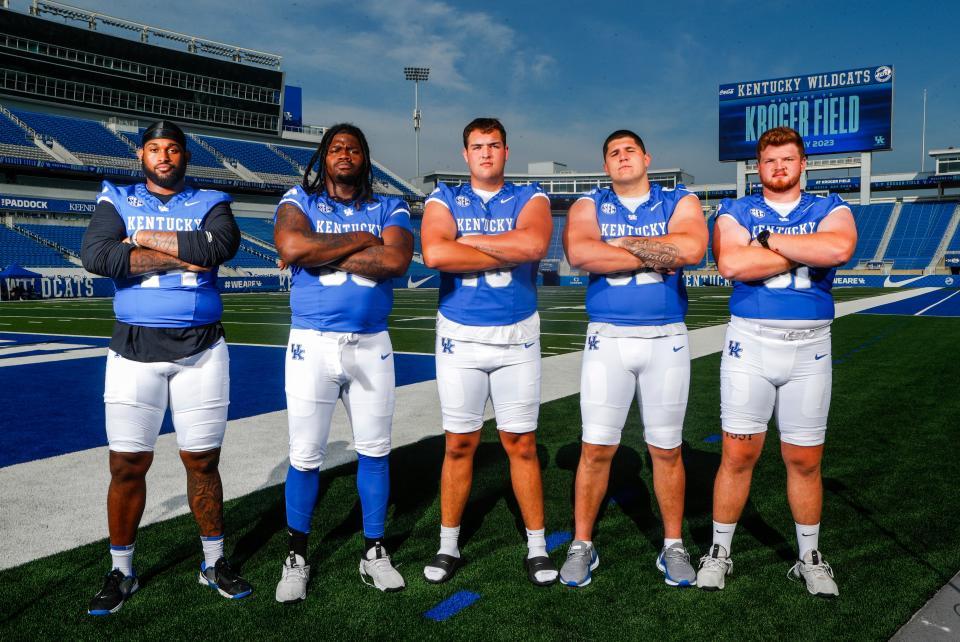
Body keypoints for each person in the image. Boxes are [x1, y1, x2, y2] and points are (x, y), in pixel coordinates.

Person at [80, 120, 247, 615]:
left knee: (202, 461)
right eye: (155, 148)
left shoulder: (211, 200)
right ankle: (122, 569)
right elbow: (98, 256)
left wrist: (141, 244)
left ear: (185, 156)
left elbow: (219, 248)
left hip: (202, 350)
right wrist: (182, 253)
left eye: (172, 149)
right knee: (127, 463)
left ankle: (213, 561)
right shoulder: (116, 197)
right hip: (134, 351)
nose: (164, 156)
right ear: (141, 155)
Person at [696, 126, 856, 597]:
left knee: (804, 459)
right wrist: (803, 247)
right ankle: (719, 551)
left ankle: (810, 556)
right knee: (738, 453)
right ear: (758, 167)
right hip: (752, 342)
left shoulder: (830, 206)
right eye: (770, 161)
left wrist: (765, 242)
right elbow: (732, 265)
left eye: (788, 159)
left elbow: (839, 249)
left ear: (803, 163)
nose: (779, 167)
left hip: (811, 346)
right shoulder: (736, 209)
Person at [272, 123, 414, 601]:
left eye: (353, 147)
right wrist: (360, 239)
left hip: (371, 345)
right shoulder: (300, 199)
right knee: (305, 454)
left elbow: (396, 262)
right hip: (310, 343)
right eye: (336, 147)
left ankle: (373, 552)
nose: (345, 154)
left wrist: (321, 253)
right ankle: (296, 557)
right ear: (323, 156)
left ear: (365, 157)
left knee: (375, 450)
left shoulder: (389, 205)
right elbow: (291, 247)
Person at [560, 130, 707, 587]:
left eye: (629, 151)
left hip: (667, 339)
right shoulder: (589, 205)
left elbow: (692, 252)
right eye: (613, 153)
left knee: (666, 449)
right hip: (608, 338)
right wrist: (653, 251)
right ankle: (582, 543)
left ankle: (673, 545)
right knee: (596, 447)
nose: (622, 158)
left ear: (646, 157)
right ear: (606, 165)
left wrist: (619, 245)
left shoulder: (680, 199)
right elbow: (581, 252)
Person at [420, 117, 557, 586]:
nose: (485, 153)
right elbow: (436, 255)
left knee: (520, 443)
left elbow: (535, 242)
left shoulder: (530, 196)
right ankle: (448, 544)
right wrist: (505, 249)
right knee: (459, 443)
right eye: (477, 146)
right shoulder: (444, 197)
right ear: (465, 154)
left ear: (506, 151)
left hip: (517, 334)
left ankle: (537, 547)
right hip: (460, 334)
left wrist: (465, 240)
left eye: (493, 145)